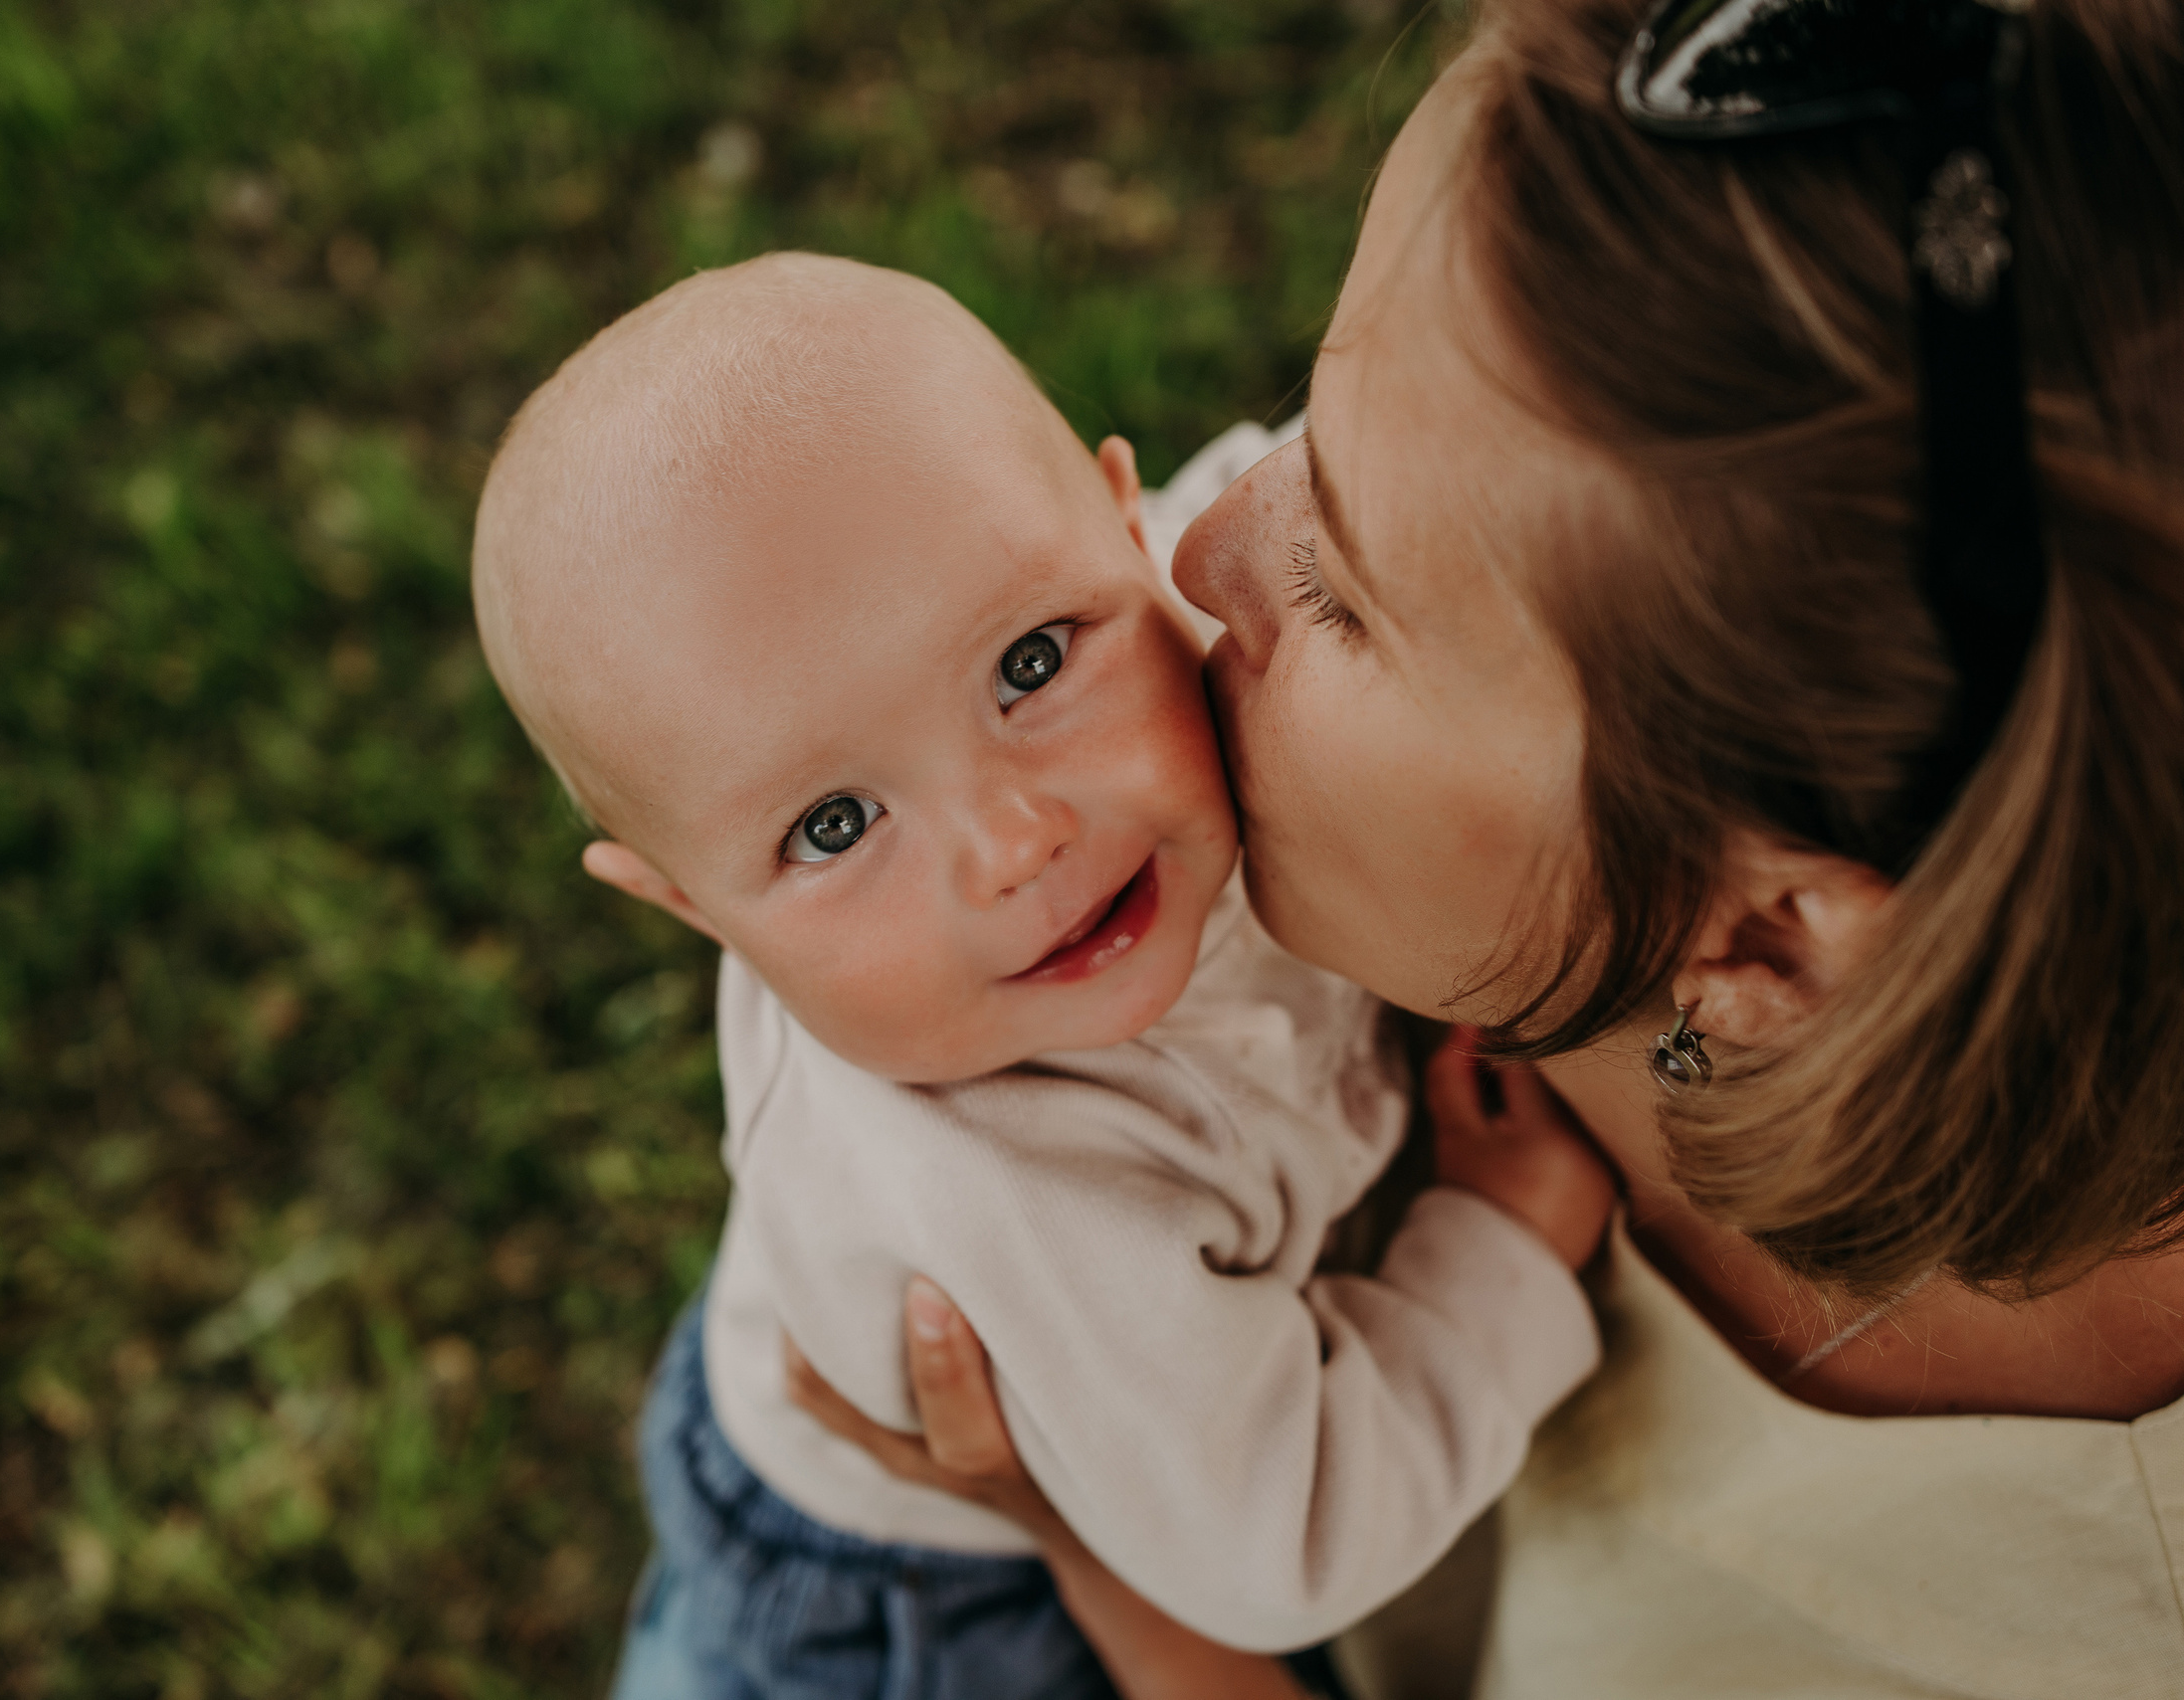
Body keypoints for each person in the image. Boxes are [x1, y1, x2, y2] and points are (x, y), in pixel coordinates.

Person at [791, 0, 2184, 1694]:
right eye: (1311, 414)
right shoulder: (1559, 808)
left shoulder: (2055, 1617)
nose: (1210, 538)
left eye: (1344, 593)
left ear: (1763, 948)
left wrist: (1097, 1540)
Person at [470, 252, 1617, 1700]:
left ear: (1134, 524)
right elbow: (1285, 1536)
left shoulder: (1219, 596)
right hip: (928, 1609)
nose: (1014, 843)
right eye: (834, 825)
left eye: (1028, 662)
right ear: (694, 909)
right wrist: (1498, 1244)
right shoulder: (1019, 1182)